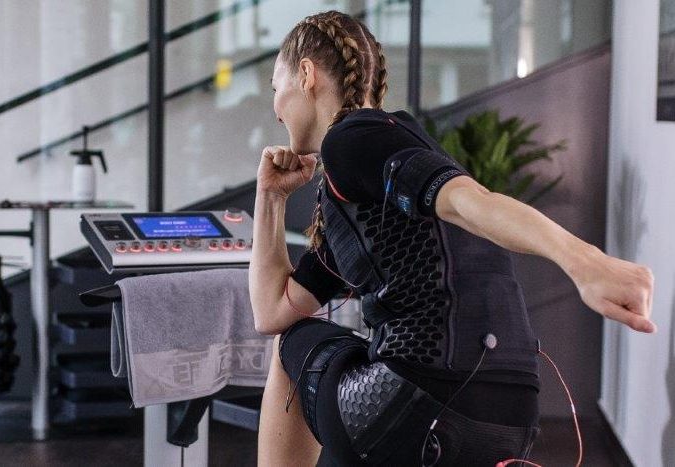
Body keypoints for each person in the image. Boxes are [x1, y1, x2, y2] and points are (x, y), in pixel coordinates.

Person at [249, 11, 655, 466]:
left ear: (306, 75)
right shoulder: (380, 167)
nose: (275, 108)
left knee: (292, 346)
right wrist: (272, 196)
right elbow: (273, 309)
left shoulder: (350, 139)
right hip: (514, 417)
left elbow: (468, 201)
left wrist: (586, 262)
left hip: (417, 407)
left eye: (275, 88)